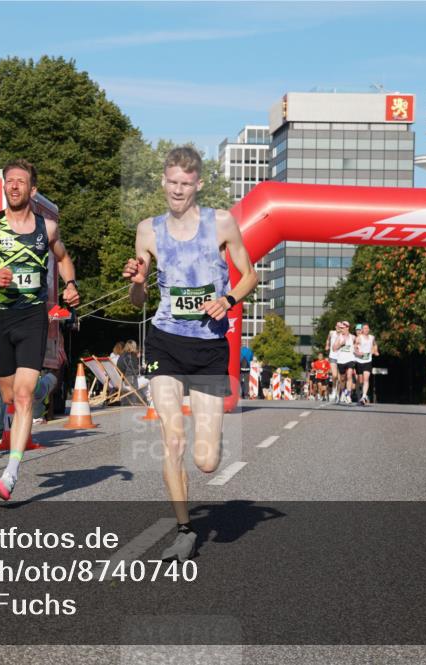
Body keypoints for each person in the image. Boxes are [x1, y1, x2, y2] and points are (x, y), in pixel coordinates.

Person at [122, 146, 258, 562]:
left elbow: (250, 273)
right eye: (172, 182)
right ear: (162, 181)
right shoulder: (148, 230)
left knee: (206, 460)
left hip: (209, 346)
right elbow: (136, 299)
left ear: (198, 184)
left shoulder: (222, 223)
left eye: (186, 183)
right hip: (165, 340)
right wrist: (138, 282)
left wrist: (229, 299)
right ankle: (184, 530)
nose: (178, 190)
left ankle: (210, 431)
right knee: (173, 440)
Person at [0, 158, 80, 500]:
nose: (13, 186)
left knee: (20, 397)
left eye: (20, 181)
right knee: (8, 396)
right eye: (9, 181)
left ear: (32, 190)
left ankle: (10, 474)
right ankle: (39, 391)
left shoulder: (47, 228)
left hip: (31, 317)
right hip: (0, 318)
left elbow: (64, 257)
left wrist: (70, 284)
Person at [333, 321, 357, 404]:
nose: (341, 329)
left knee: (349, 376)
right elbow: (334, 349)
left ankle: (348, 395)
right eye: (340, 328)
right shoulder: (339, 337)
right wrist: (340, 345)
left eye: (343, 328)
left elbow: (357, 346)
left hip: (350, 359)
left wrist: (358, 351)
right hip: (341, 360)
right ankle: (343, 392)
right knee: (342, 379)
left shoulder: (353, 337)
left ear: (347, 328)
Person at [355, 323, 379, 406]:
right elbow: (354, 348)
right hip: (359, 361)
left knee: (366, 379)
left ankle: (364, 396)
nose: (366, 330)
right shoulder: (359, 338)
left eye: (367, 328)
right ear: (362, 330)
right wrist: (358, 352)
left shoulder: (372, 337)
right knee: (360, 380)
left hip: (368, 361)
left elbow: (375, 345)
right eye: (364, 328)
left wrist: (375, 351)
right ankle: (359, 394)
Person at [325, 321, 343, 402]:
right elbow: (328, 339)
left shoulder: (343, 335)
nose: (339, 328)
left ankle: (338, 394)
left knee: (340, 378)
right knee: (334, 376)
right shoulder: (331, 332)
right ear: (335, 326)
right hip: (332, 356)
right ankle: (334, 390)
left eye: (341, 327)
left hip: (341, 358)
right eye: (338, 326)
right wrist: (327, 345)